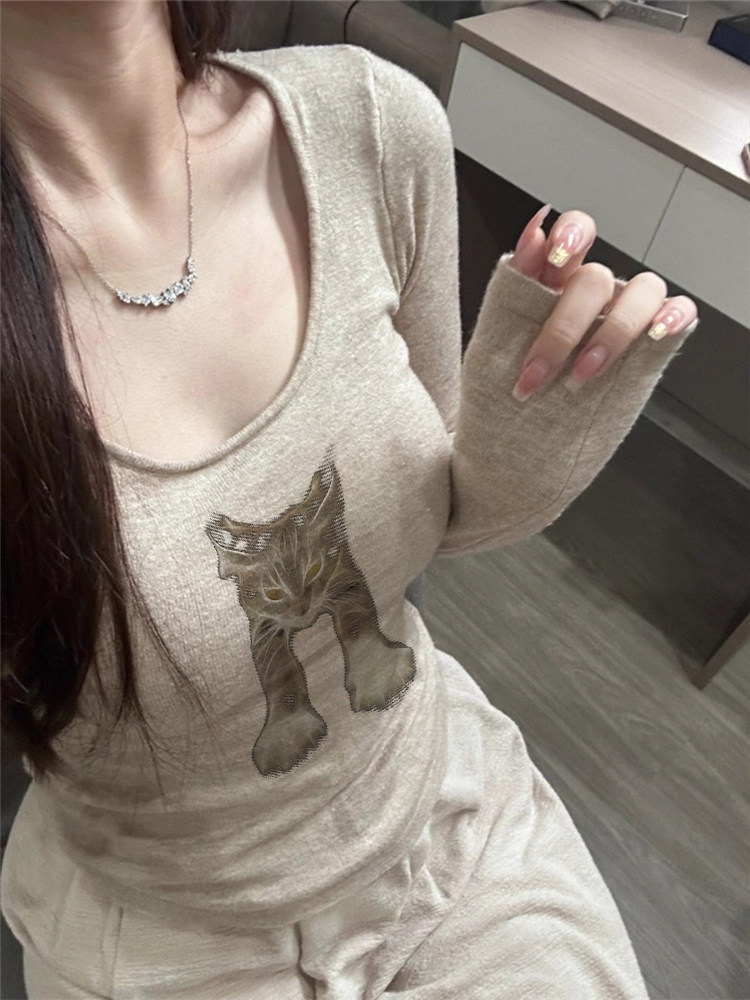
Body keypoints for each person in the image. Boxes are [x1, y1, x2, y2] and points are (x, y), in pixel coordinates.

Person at [0, 2, 699, 998]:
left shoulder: (372, 127)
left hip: (445, 825)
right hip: (165, 933)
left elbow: (433, 514)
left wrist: (534, 440)